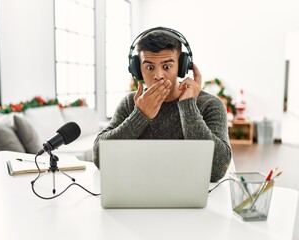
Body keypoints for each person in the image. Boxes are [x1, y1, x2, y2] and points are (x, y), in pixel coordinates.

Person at [92, 27, 232, 182]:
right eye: (150, 67)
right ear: (138, 70)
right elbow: (100, 158)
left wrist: (188, 106)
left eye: (167, 67)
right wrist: (139, 116)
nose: (158, 76)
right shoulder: (130, 104)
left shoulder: (210, 104)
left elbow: (217, 170)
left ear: (182, 67)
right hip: (139, 192)